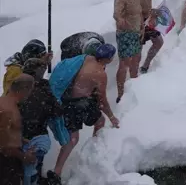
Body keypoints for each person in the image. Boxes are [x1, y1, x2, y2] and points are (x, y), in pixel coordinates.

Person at [49, 44, 118, 184]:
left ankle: (56, 172)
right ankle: (94, 149)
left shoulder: (85, 58)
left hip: (64, 100)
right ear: (109, 59)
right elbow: (102, 101)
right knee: (100, 121)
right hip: (78, 104)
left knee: (72, 139)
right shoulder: (100, 74)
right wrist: (112, 117)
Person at [20, 59, 61, 185]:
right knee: (34, 161)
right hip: (37, 134)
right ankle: (34, 179)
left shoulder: (16, 85)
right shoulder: (43, 86)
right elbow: (56, 111)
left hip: (17, 134)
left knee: (23, 165)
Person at [0, 74, 35, 185]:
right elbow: (4, 146)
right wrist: (24, 157)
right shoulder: (9, 110)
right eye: (30, 90)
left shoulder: (4, 102)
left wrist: (21, 139)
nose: (30, 95)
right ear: (24, 89)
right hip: (5, 164)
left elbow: (5, 132)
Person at [134, 0, 168, 74]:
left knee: (158, 42)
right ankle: (133, 73)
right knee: (137, 48)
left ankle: (146, 65)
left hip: (149, 19)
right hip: (137, 20)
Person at [113, 0, 143, 103]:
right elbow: (116, 14)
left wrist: (142, 27)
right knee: (124, 63)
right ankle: (120, 94)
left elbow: (139, 12)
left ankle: (135, 87)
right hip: (125, 34)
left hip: (137, 33)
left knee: (136, 60)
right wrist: (120, 20)